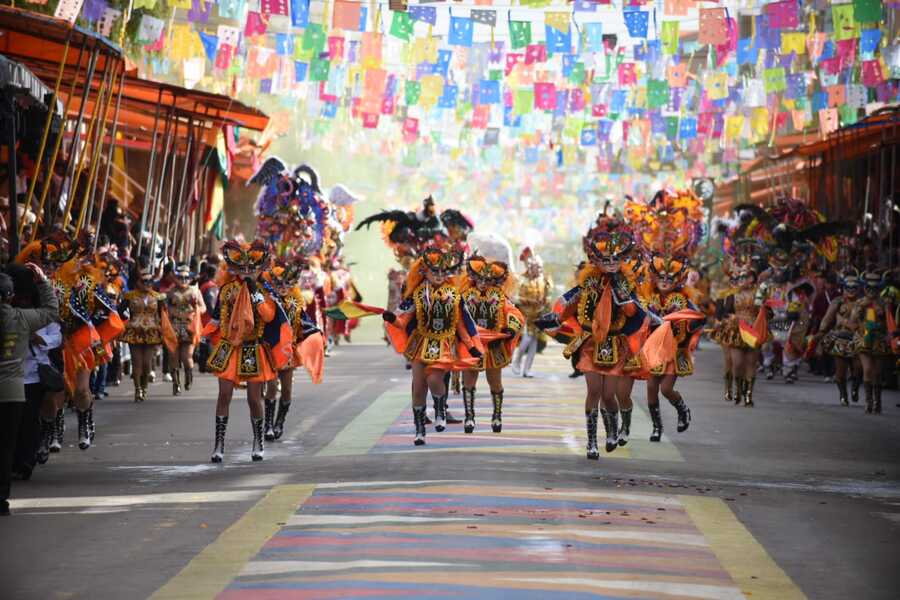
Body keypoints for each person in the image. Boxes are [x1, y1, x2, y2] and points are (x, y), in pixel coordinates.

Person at [538, 217, 647, 458]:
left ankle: (611, 430)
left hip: (616, 345)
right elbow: (565, 303)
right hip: (589, 344)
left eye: (615, 259)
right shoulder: (587, 284)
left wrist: (620, 293)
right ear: (595, 260)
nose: (610, 264)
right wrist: (553, 317)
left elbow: (633, 312)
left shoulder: (625, 286)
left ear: (622, 260)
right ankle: (591, 442)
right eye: (605, 260)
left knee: (610, 395)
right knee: (593, 391)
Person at [382, 242, 483, 445]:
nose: (438, 275)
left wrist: (471, 346)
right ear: (424, 271)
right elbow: (403, 320)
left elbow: (461, 324)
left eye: (442, 271)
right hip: (420, 343)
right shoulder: (416, 294)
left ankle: (439, 408)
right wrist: (392, 319)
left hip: (444, 345)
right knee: (418, 387)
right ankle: (419, 430)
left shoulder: (455, 294)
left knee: (435, 380)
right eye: (434, 271)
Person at [203, 240, 277, 462]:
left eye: (250, 268)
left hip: (252, 349)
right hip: (228, 347)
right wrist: (203, 338)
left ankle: (258, 441)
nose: (246, 272)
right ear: (233, 268)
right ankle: (219, 446)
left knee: (254, 399)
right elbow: (217, 318)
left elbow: (268, 316)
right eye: (242, 268)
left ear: (258, 268)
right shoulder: (225, 290)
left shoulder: (263, 290)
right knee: (224, 395)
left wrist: (253, 290)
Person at [0, 263, 59, 516]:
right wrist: (44, 281)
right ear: (10, 296)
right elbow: (51, 310)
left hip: (20, 386)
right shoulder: (21, 319)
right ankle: (1, 499)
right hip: (12, 391)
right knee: (6, 446)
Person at [460, 235, 524, 434]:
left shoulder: (499, 296)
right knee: (468, 381)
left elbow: (515, 313)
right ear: (473, 277)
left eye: (487, 280)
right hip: (472, 345)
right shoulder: (464, 295)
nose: (482, 283)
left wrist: (511, 328)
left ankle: (497, 415)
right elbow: (455, 315)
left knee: (494, 381)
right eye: (479, 279)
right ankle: (469, 417)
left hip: (493, 346)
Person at [261, 260, 325, 441]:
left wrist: (317, 336)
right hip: (270, 350)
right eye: (278, 283)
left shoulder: (295, 304)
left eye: (286, 284)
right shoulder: (267, 302)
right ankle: (267, 426)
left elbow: (305, 324)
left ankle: (279, 421)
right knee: (272, 386)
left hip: (288, 353)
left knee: (287, 391)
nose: (282, 287)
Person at [119, 267, 169, 403]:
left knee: (147, 363)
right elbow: (119, 311)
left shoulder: (158, 297)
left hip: (151, 332)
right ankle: (137, 390)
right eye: (144, 281)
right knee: (137, 363)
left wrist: (163, 328)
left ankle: (144, 387)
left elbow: (163, 314)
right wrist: (127, 321)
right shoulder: (129, 296)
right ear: (138, 282)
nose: (147, 284)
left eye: (150, 281)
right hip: (134, 332)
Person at [817, 270, 864, 405]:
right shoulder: (837, 301)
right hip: (840, 339)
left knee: (858, 367)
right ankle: (843, 395)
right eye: (848, 287)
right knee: (840, 371)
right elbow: (827, 319)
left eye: (854, 288)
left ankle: (855, 387)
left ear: (859, 288)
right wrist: (822, 330)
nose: (851, 290)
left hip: (857, 339)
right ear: (843, 288)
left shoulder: (863, 302)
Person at [852, 271, 894, 414]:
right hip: (864, 338)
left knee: (877, 372)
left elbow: (890, 322)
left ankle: (878, 402)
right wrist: (860, 308)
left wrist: (882, 311)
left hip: (879, 339)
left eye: (874, 289)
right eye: (868, 288)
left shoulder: (885, 302)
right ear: (864, 288)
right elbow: (853, 320)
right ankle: (868, 402)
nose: (871, 291)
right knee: (867, 369)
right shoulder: (859, 302)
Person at [511, 247, 552, 378]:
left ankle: (527, 369)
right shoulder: (521, 280)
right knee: (527, 339)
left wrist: (546, 302)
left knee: (534, 341)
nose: (539, 270)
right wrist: (527, 301)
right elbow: (514, 297)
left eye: (540, 268)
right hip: (524, 315)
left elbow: (548, 297)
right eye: (537, 268)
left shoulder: (543, 280)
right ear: (530, 267)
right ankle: (516, 360)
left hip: (538, 315)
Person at [166, 264, 204, 395]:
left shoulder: (195, 291)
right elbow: (165, 309)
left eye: (186, 277)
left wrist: (196, 308)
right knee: (173, 357)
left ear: (190, 278)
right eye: (180, 277)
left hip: (189, 328)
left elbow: (203, 308)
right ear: (176, 278)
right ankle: (176, 384)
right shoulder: (170, 292)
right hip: (174, 327)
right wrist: (171, 311)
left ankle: (189, 377)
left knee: (186, 357)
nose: (183, 280)